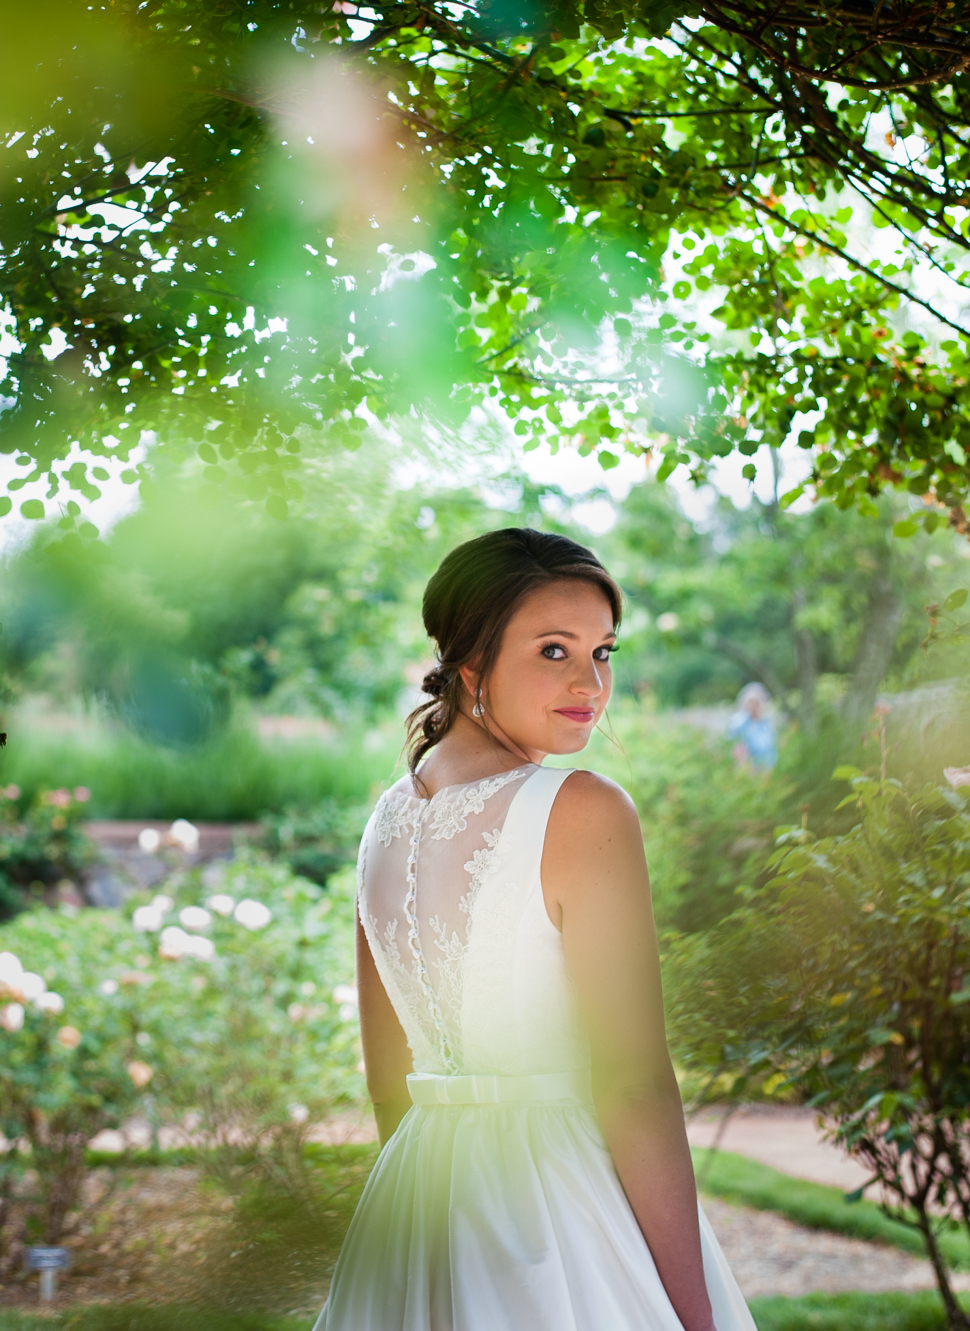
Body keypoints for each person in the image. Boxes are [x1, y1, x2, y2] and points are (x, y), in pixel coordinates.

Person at [314, 528, 752, 1331]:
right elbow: (634, 1086)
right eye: (555, 650)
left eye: (604, 651)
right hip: (555, 1214)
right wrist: (697, 1318)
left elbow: (387, 1078)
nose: (591, 681)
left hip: (412, 1207)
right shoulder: (583, 809)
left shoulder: (385, 818)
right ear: (470, 664)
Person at [725, 681, 778, 774]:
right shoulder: (739, 723)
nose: (753, 706)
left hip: (767, 768)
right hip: (747, 768)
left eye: (756, 702)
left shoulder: (766, 724)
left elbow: (772, 748)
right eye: (750, 702)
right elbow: (733, 745)